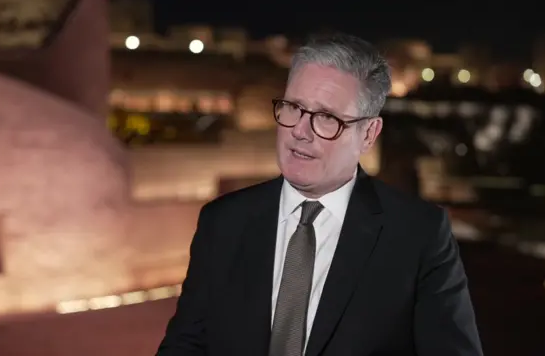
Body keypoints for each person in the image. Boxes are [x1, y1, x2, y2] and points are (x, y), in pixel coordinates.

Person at [157, 33, 483, 356]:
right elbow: (185, 345)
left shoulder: (419, 235)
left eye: (327, 118)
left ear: (368, 134)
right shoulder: (223, 221)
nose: (300, 131)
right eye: (293, 107)